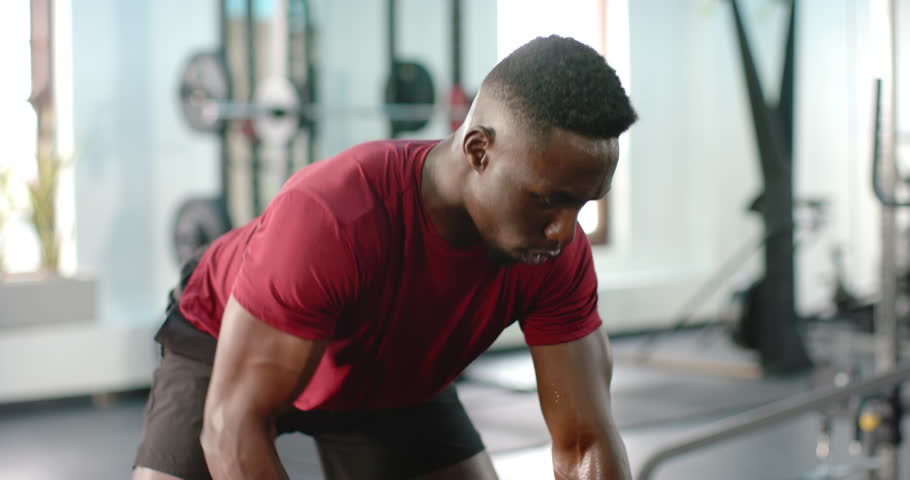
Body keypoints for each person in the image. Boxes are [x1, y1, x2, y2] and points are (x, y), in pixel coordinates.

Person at [133, 34, 638, 480]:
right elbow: (230, 427)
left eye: (582, 204)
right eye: (548, 199)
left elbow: (584, 442)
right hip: (228, 344)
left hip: (392, 373)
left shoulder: (553, 253)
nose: (564, 230)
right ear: (479, 151)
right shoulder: (335, 215)